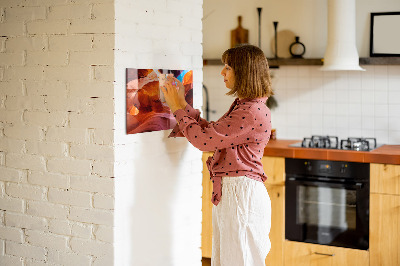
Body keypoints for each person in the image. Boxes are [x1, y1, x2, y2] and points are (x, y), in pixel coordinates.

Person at [161, 44, 273, 266]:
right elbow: (212, 133)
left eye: (228, 67)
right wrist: (182, 104)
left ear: (244, 72)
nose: (222, 72)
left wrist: (176, 108)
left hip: (241, 195)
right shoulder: (246, 106)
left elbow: (204, 141)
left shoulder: (250, 111)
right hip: (236, 193)